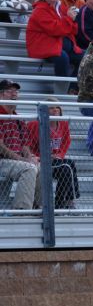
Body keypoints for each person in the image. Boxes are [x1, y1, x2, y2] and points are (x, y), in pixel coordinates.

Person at [25, 98, 80, 209]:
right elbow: (27, 146)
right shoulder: (34, 125)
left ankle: (62, 202)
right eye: (51, 108)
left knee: (67, 166)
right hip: (40, 161)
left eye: (57, 108)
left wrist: (60, 155)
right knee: (67, 166)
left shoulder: (63, 124)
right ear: (44, 110)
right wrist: (43, 157)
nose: (55, 110)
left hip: (56, 160)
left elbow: (66, 142)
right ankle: (66, 201)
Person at [0, 80, 41, 210]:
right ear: (1, 94)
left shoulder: (17, 118)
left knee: (40, 166)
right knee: (29, 168)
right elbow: (0, 146)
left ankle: (40, 208)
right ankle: (22, 211)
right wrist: (23, 160)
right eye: (9, 91)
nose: (14, 94)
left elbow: (25, 145)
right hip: (2, 160)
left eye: (16, 91)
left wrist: (30, 157)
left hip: (14, 161)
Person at [26, 0, 83, 78]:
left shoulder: (60, 7)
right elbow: (56, 29)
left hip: (57, 44)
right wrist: (69, 19)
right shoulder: (39, 10)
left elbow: (73, 30)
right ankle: (61, 89)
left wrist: (72, 20)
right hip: (43, 45)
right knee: (63, 58)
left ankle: (72, 88)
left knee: (86, 57)